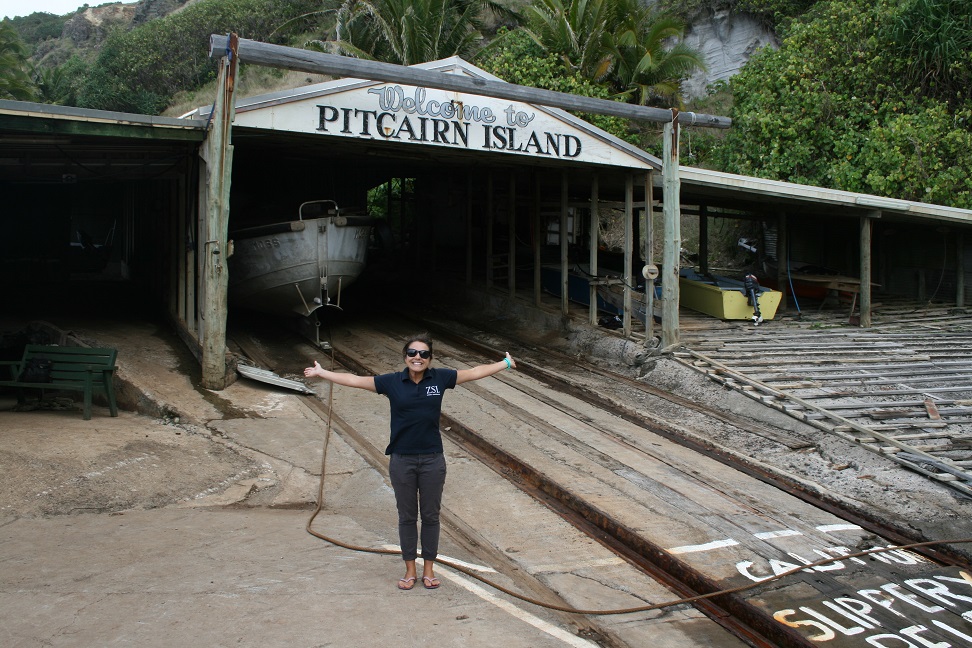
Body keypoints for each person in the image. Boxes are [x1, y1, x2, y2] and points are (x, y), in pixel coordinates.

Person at [304, 333, 516, 591]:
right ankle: (409, 570)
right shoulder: (393, 382)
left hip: (432, 459)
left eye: (424, 354)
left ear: (430, 358)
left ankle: (428, 569)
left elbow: (473, 372)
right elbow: (355, 380)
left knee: (430, 516)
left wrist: (505, 364)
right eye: (413, 353)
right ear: (405, 357)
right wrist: (323, 373)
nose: (418, 357)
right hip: (401, 459)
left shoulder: (440, 378)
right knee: (406, 516)